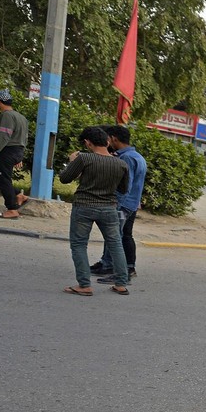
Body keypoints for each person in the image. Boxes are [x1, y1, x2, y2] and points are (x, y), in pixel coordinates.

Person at [58, 126, 130, 296]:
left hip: (84, 206)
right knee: (115, 243)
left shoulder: (84, 159)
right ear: (107, 141)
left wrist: (72, 161)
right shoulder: (121, 164)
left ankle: (84, 285)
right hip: (109, 208)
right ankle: (121, 283)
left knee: (79, 244)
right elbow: (123, 189)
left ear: (87, 143)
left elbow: (65, 178)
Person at [89, 125, 147, 283]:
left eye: (108, 139)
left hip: (123, 204)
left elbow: (125, 185)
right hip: (131, 204)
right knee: (122, 235)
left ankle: (121, 271)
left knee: (116, 237)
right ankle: (111, 264)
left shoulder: (127, 158)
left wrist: (115, 204)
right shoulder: (136, 156)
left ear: (114, 138)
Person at [0, 90, 30, 218]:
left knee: (3, 179)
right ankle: (18, 195)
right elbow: (24, 138)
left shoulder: (7, 115)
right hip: (16, 150)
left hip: (7, 151)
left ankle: (12, 209)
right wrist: (19, 156)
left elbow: (4, 135)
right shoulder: (21, 117)